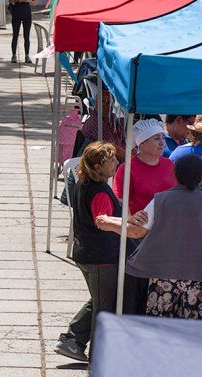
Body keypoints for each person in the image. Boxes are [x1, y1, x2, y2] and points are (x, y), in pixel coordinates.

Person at [107, 155, 202, 319]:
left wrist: (108, 223)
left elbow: (137, 232)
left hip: (164, 275)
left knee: (163, 325)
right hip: (200, 277)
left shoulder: (160, 200)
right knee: (195, 328)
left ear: (175, 175)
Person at [54, 142, 134, 363]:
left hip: (88, 253)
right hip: (101, 257)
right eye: (112, 160)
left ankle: (72, 339)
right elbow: (102, 220)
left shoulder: (84, 183)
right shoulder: (99, 191)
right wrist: (128, 224)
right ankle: (98, 355)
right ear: (99, 166)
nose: (117, 163)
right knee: (104, 307)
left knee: (99, 299)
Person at [111, 119, 176, 315]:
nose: (162, 143)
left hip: (167, 237)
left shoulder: (169, 165)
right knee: (137, 290)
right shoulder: (127, 168)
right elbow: (119, 202)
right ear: (142, 143)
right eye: (156, 139)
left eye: (162, 138)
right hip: (139, 239)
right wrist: (130, 219)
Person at [78, 87, 126, 162]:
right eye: (103, 102)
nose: (106, 105)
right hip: (99, 161)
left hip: (114, 158)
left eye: (109, 103)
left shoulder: (112, 118)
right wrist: (131, 159)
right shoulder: (95, 122)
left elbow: (123, 140)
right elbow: (110, 148)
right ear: (96, 103)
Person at [8, 0, 36, 64]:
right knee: (15, 35)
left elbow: (34, 3)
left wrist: (27, 0)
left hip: (27, 15)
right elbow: (10, 0)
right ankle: (13, 55)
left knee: (26, 36)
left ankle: (27, 56)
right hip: (16, 14)